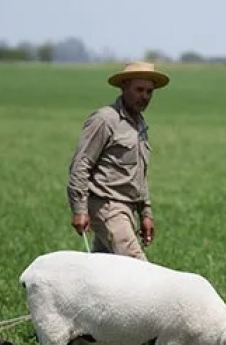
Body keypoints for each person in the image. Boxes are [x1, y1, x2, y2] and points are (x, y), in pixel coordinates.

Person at [66, 62, 170, 261]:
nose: (145, 96)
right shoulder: (105, 120)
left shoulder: (139, 124)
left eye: (149, 91)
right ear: (123, 88)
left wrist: (145, 214)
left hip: (127, 209)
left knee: (104, 272)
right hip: (107, 206)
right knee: (138, 269)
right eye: (139, 90)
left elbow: (139, 175)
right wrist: (79, 209)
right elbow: (81, 164)